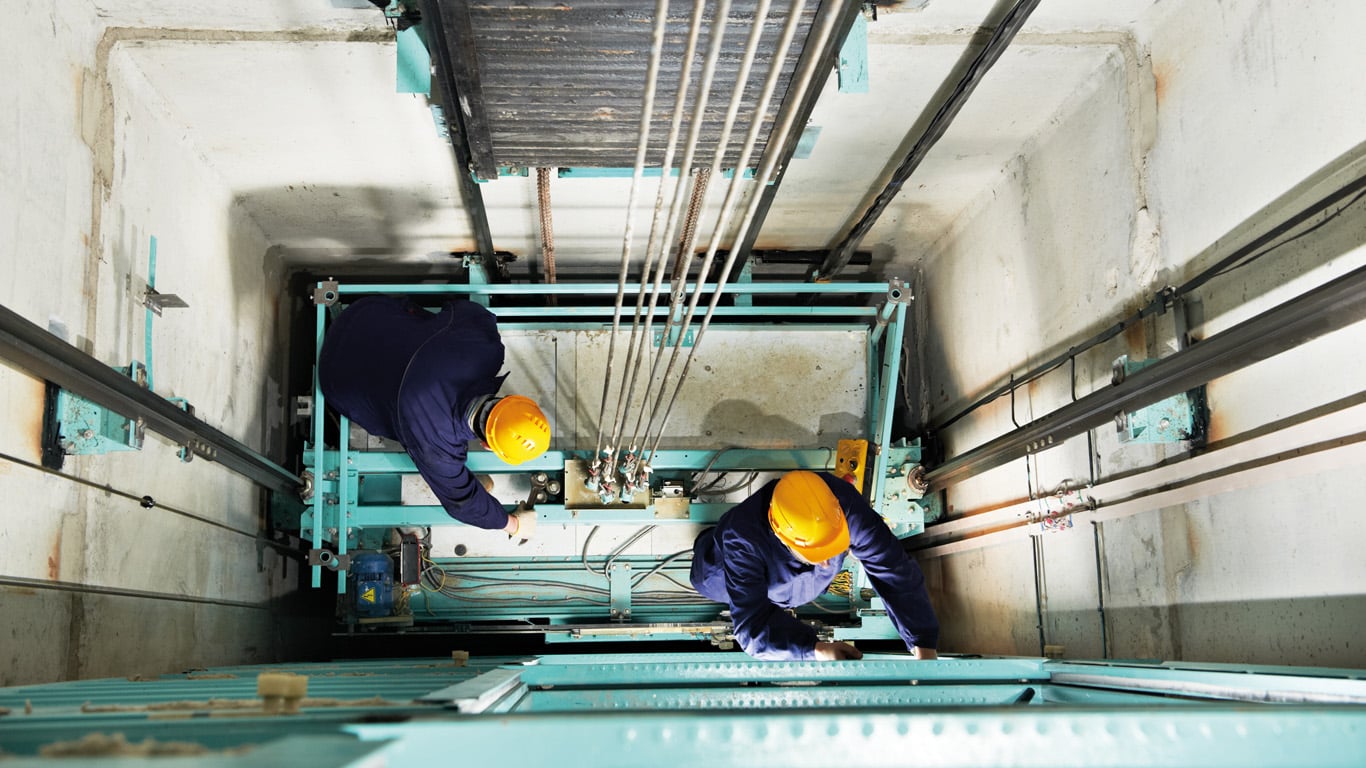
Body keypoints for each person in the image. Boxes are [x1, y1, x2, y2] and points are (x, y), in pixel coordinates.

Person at [317, 295, 549, 539]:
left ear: (511, 399)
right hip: (336, 377)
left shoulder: (485, 348)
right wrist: (514, 525)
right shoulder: (438, 448)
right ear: (486, 445)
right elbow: (464, 503)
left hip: (364, 315)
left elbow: (461, 308)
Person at [691, 470, 939, 661]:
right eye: (818, 554)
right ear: (782, 536)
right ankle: (707, 540)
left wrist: (923, 641)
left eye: (833, 546)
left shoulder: (842, 505)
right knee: (706, 577)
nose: (827, 561)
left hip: (794, 584)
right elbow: (751, 629)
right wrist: (813, 649)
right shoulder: (742, 538)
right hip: (724, 570)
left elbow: (892, 566)